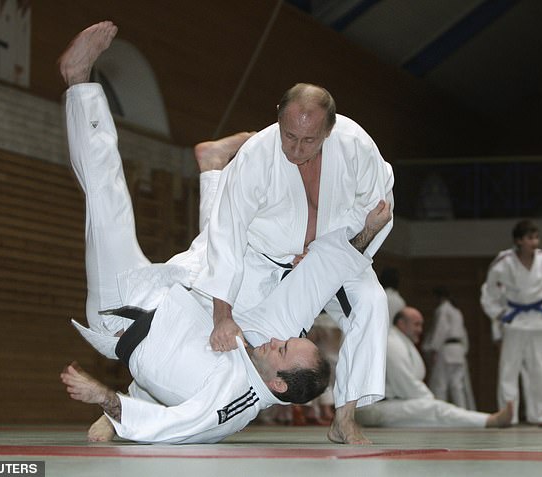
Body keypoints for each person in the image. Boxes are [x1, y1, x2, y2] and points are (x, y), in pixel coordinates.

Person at [57, 21, 391, 444]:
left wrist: (106, 399)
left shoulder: (235, 399)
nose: (280, 339)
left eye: (286, 347)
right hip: (177, 289)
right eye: (290, 135)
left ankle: (80, 85)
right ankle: (93, 89)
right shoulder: (272, 325)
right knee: (214, 243)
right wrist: (223, 315)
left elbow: (183, 426)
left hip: (121, 311)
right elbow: (276, 253)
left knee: (106, 203)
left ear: (278, 383)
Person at [192, 79, 395, 445]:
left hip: (335, 249)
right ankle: (131, 406)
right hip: (262, 255)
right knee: (205, 318)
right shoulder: (258, 154)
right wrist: (222, 313)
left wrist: (331, 249)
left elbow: (377, 209)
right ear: (278, 118)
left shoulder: (356, 146)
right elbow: (228, 232)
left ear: (329, 130)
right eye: (289, 136)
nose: (296, 148)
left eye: (309, 140)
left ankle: (345, 416)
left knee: (371, 301)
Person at [354, 307, 512, 428]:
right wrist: (430, 400)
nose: (420, 330)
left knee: (430, 419)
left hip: (389, 406)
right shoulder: (391, 343)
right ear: (401, 324)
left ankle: (485, 420)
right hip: (372, 409)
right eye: (416, 325)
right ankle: (489, 420)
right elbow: (405, 384)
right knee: (433, 409)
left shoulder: (401, 342)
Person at [480, 219, 542, 426]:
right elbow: (489, 292)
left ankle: (541, 416)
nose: (534, 242)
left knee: (541, 370)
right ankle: (508, 415)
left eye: (536, 237)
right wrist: (499, 313)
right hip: (515, 321)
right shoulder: (503, 262)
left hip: (539, 320)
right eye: (529, 238)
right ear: (519, 240)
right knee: (509, 370)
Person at [422, 287, 476, 410]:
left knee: (441, 384)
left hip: (446, 349)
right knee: (457, 385)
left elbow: (441, 329)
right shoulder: (457, 311)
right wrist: (464, 351)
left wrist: (434, 348)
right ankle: (462, 412)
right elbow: (464, 333)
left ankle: (440, 411)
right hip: (459, 350)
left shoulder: (443, 309)